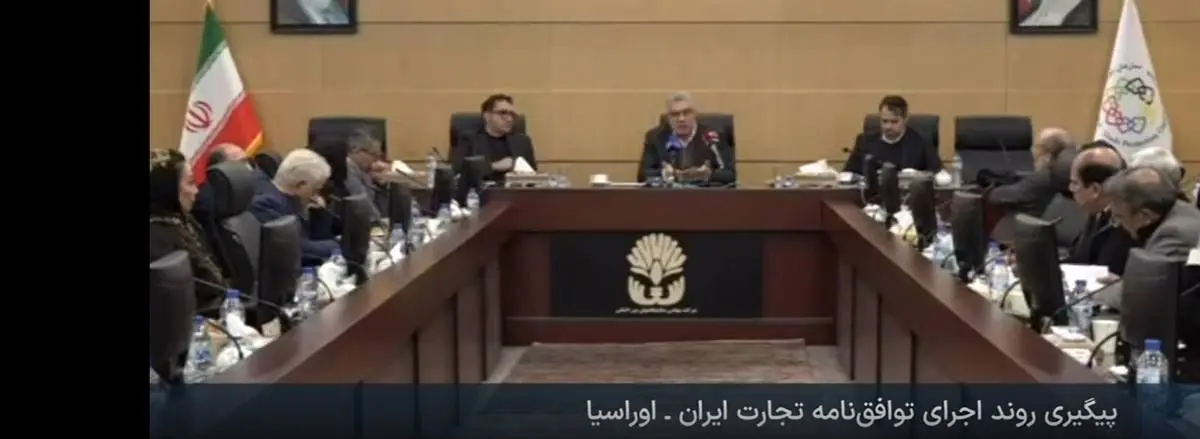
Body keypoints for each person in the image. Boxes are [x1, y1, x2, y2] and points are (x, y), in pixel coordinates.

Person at [149, 149, 229, 312]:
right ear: (167, 190)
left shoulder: (184, 220)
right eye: (190, 183)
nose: (196, 191)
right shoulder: (156, 238)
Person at [248, 149, 339, 266]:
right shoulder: (265, 204)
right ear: (300, 185)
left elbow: (316, 239)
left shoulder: (292, 200)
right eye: (315, 190)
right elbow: (299, 248)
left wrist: (318, 214)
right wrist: (338, 246)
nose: (315, 196)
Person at [637, 92, 737, 186]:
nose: (681, 119)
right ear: (669, 117)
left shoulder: (713, 136)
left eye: (686, 113)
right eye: (675, 114)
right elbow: (643, 175)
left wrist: (707, 175)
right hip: (669, 195)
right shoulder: (656, 137)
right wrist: (665, 173)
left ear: (694, 114)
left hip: (704, 195)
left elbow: (730, 175)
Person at [1065, 142, 1133, 275]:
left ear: (1095, 190)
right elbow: (1079, 258)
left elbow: (1107, 273)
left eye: (1074, 183)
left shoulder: (1124, 225)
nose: (1070, 189)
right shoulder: (1096, 211)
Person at [1103, 167, 1200, 258]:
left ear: (1145, 215)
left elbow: (1147, 271)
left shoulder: (1173, 235)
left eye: (1119, 217)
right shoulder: (1180, 208)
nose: (1119, 225)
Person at [842, 95, 940, 177]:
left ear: (906, 119)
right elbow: (848, 174)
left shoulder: (921, 142)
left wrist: (918, 175)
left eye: (894, 122)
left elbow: (938, 174)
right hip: (872, 193)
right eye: (884, 121)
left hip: (909, 193)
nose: (888, 126)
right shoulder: (865, 141)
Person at [451, 94, 538, 185]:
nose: (509, 119)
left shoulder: (522, 142)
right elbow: (459, 172)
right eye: (503, 113)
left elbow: (534, 177)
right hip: (481, 191)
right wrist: (494, 166)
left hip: (513, 191)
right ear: (487, 116)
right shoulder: (469, 139)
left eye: (512, 114)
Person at [986, 127, 1074, 216]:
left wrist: (988, 188)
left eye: (1037, 147)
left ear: (1047, 155)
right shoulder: (1071, 175)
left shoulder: (1043, 178)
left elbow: (996, 196)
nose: (1033, 151)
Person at [344, 127, 388, 221]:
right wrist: (381, 224)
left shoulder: (362, 171)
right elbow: (365, 208)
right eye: (374, 155)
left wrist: (381, 184)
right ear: (356, 150)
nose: (375, 160)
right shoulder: (348, 171)